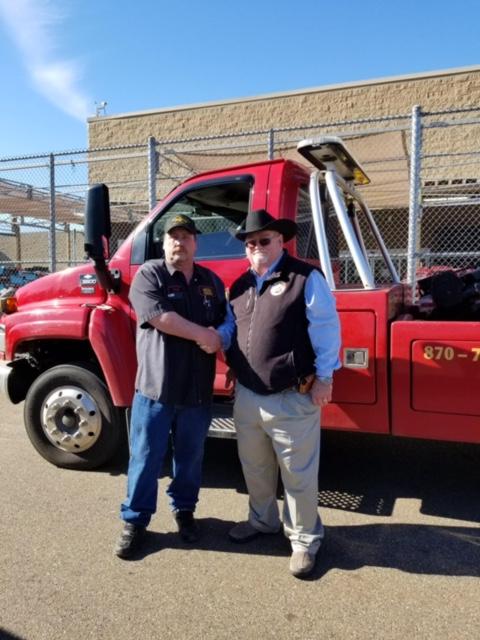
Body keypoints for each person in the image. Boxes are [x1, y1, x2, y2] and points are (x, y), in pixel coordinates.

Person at [226, 209, 341, 578]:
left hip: (293, 396)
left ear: (281, 241)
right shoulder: (240, 285)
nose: (256, 247)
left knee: (298, 475)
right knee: (255, 469)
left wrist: (325, 379)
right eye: (250, 243)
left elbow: (326, 328)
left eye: (264, 240)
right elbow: (238, 332)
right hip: (247, 396)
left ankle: (306, 539)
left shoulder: (305, 278)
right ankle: (262, 522)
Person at [115, 213, 233, 559]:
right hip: (156, 390)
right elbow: (158, 317)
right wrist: (204, 335)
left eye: (186, 236)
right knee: (146, 457)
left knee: (191, 458)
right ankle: (135, 521)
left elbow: (225, 322)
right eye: (173, 236)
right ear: (163, 243)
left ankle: (185, 512)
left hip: (197, 391)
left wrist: (221, 338)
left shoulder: (211, 281)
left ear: (197, 243)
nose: (179, 241)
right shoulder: (149, 275)